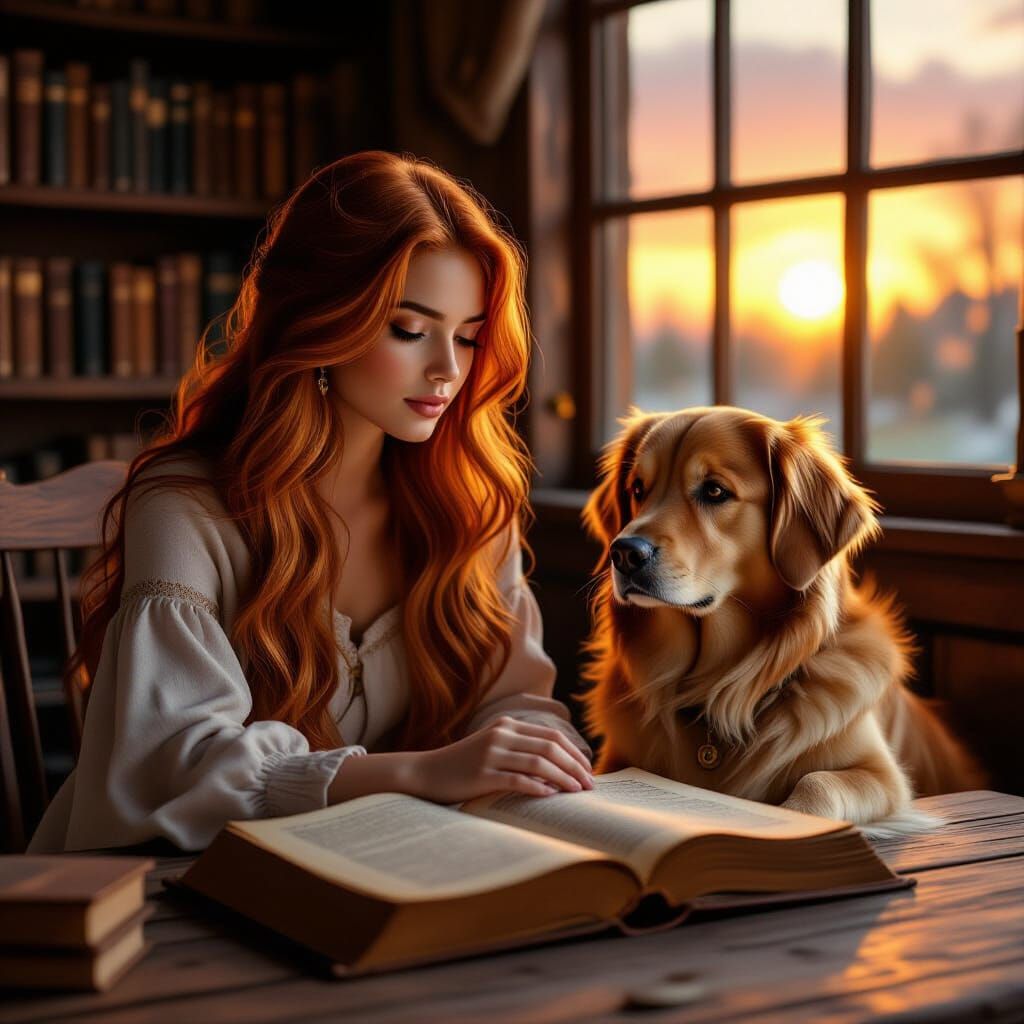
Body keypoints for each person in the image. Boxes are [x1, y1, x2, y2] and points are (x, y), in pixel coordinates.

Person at [28, 151, 593, 854]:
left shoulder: (468, 505)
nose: (448, 369)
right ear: (319, 322)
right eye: (409, 329)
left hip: (378, 864)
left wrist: (531, 751)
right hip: (169, 885)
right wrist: (421, 772)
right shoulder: (185, 508)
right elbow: (176, 764)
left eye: (469, 337)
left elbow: (515, 704)